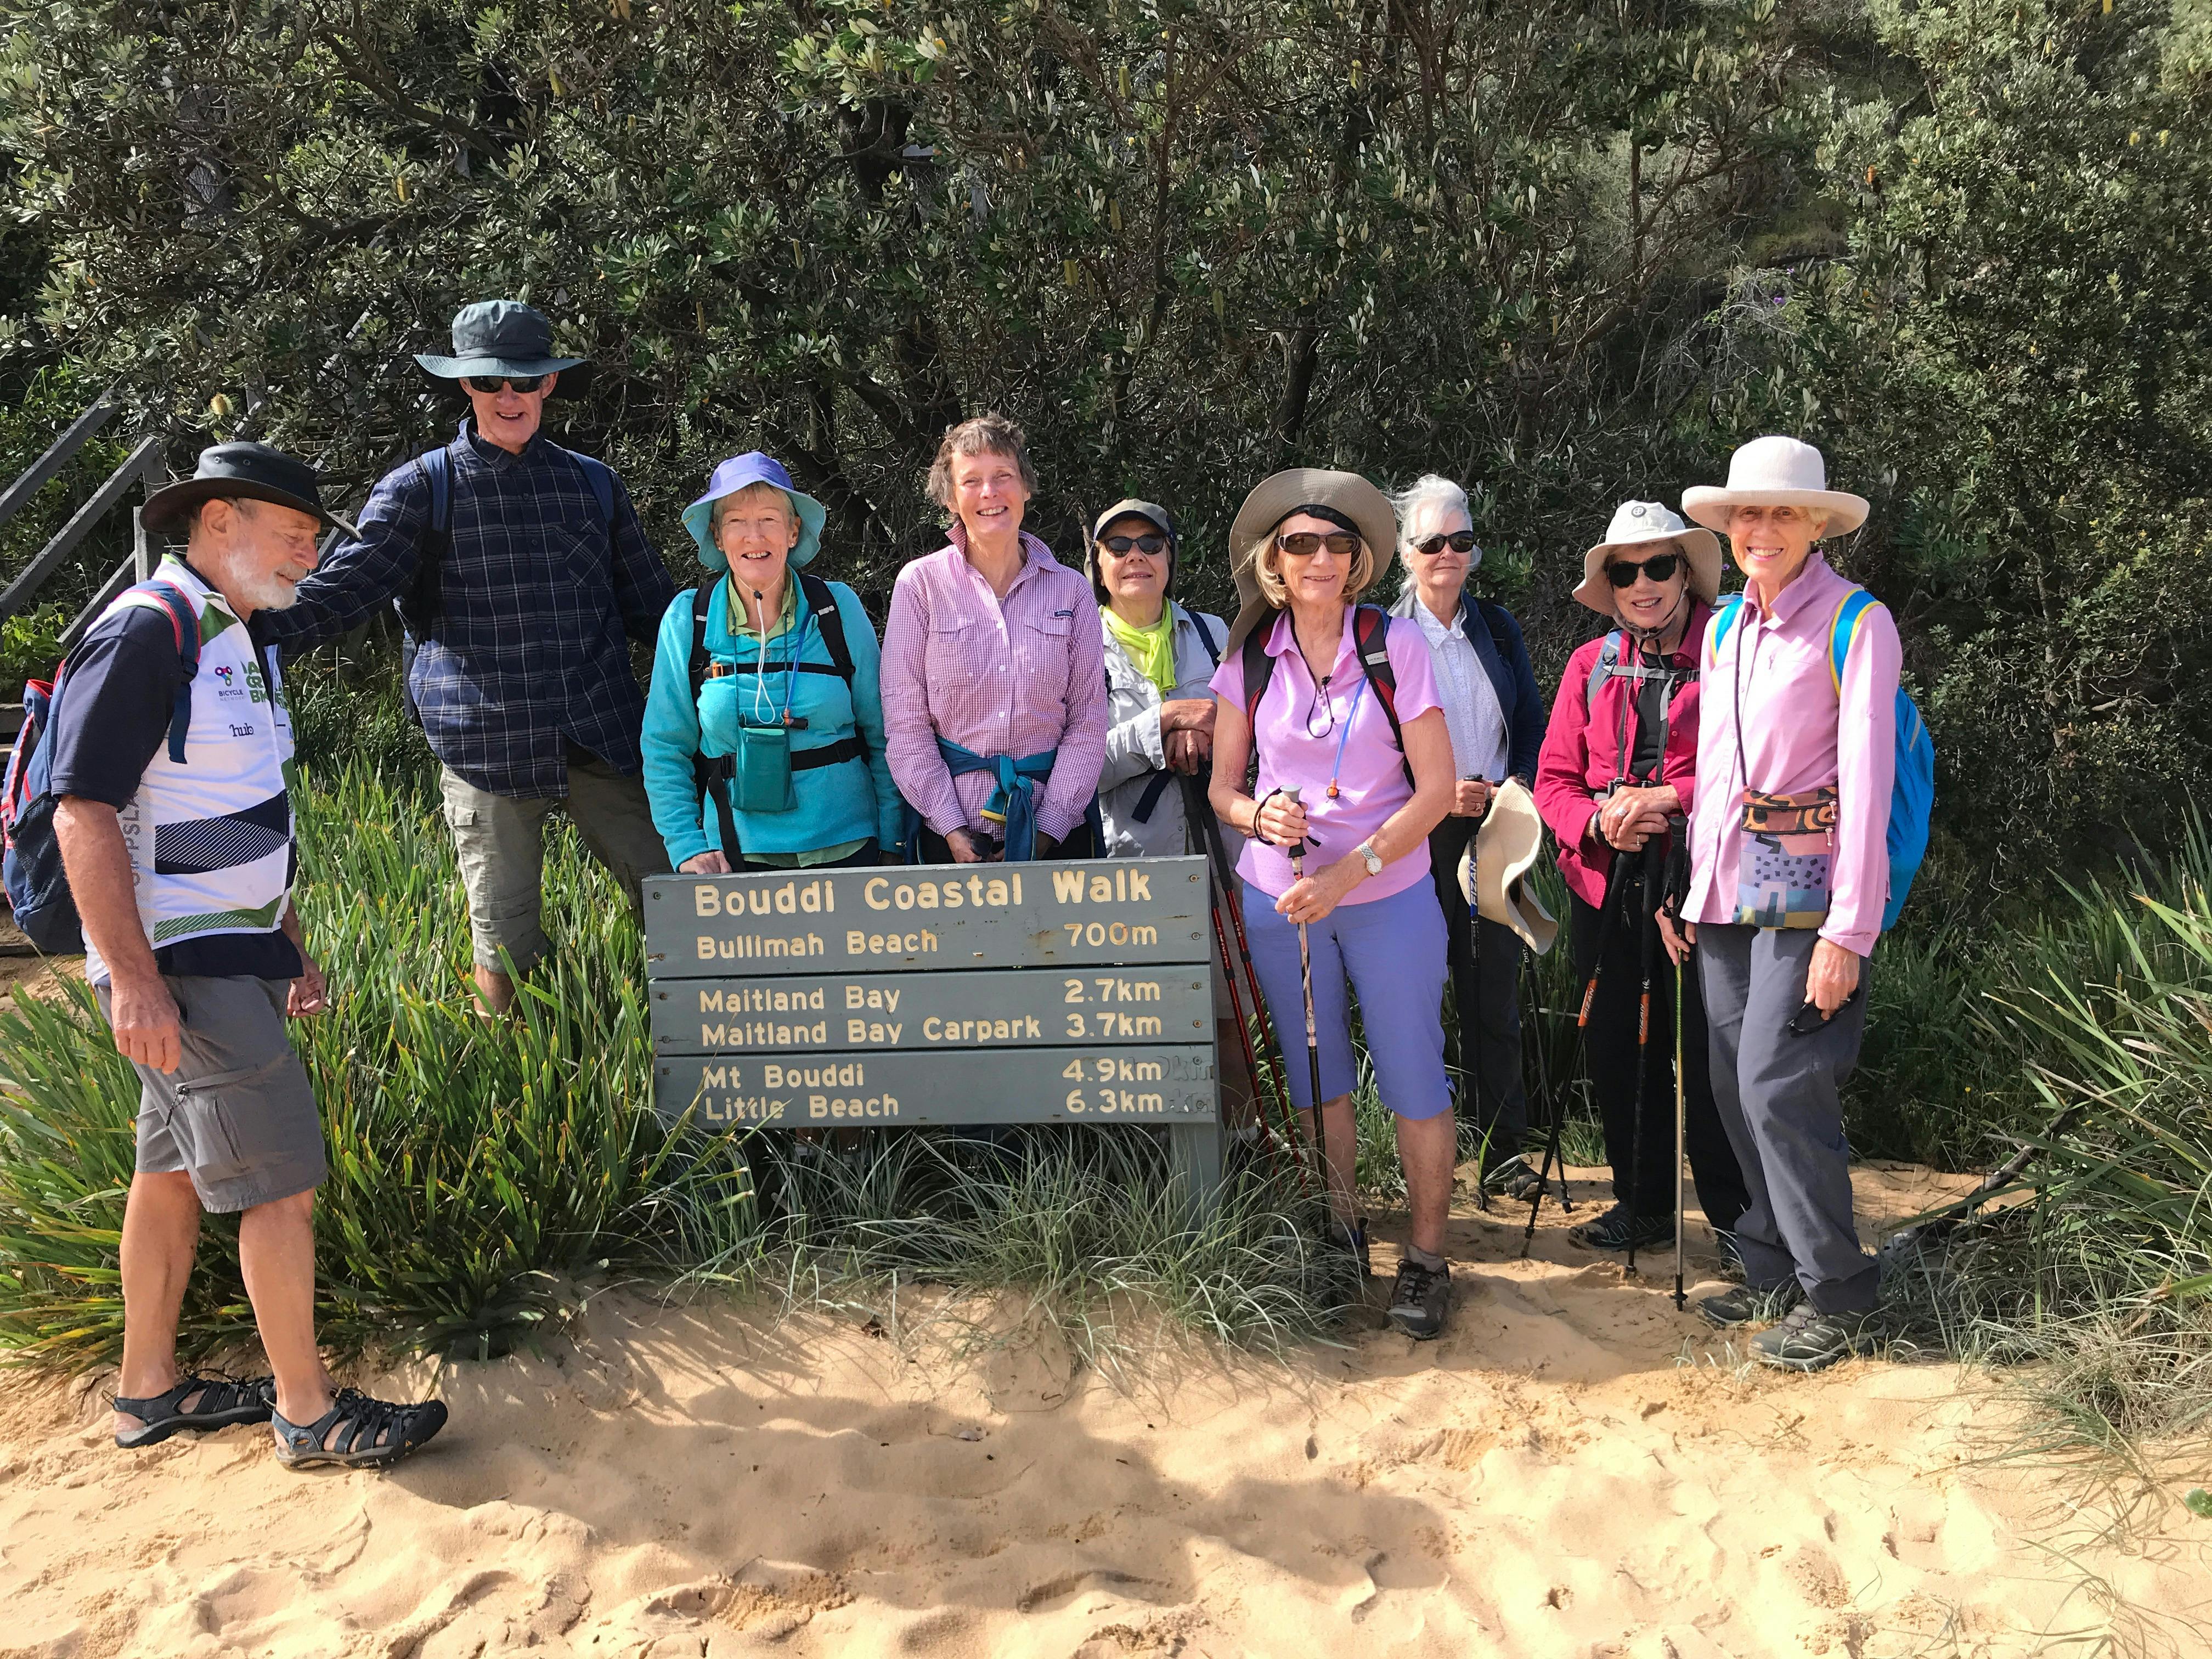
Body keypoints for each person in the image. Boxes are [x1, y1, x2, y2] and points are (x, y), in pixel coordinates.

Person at [49, 443, 447, 1469]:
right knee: (280, 1182)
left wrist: (287, 935)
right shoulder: (149, 632)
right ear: (219, 519)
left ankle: (147, 1390)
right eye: (298, 531)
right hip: (181, 965)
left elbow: (235, 811)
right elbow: (82, 809)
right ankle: (309, 1412)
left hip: (232, 950)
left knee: (172, 1171)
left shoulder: (238, 633)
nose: (312, 553)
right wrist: (131, 978)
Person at [256, 300, 674, 1015]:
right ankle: (517, 1091)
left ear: (548, 384)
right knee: (504, 951)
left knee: (683, 911)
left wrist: (740, 661)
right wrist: (230, 633)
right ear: (465, 387)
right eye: (488, 382)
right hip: (487, 748)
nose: (506, 396)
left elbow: (658, 615)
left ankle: (711, 1059)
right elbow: (340, 593)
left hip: (603, 733)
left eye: (522, 379)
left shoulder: (595, 485)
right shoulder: (422, 489)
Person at [1659, 436, 1899, 1372]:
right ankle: (1773, 1266)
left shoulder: (1855, 623)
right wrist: (1688, 885)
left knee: (1775, 1077)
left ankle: (1837, 1290)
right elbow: (1714, 774)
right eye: (1745, 513)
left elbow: (1868, 785)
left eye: (1781, 513)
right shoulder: (1723, 628)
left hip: (1809, 886)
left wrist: (1849, 929)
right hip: (1723, 886)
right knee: (1728, 1078)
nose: (1760, 528)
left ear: (1815, 525)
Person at [1207, 469, 1457, 1340]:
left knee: (1413, 1078)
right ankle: (1343, 1236)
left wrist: (1352, 872)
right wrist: (1257, 814)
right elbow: (1222, 792)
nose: (1319, 557)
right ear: (1274, 559)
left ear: (1358, 561)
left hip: (1387, 896)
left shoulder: (1395, 647)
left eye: (1337, 544)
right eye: (1299, 543)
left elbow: (1437, 792)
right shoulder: (1247, 655)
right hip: (1282, 901)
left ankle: (1427, 1260)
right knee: (1319, 1083)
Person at [1534, 501, 1750, 1260]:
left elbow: (1750, 768)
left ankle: (1738, 1222)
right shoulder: (1591, 666)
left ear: (1687, 573)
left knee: (1712, 1051)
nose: (1643, 584)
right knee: (1620, 1049)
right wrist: (1599, 823)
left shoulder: (1730, 654)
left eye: (1659, 566)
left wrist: (1667, 800)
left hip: (1704, 881)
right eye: (1625, 573)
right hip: (1607, 883)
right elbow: (1552, 782)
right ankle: (1645, 1203)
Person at [1385, 476, 1547, 1198]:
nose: (1446, 553)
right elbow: (1373, 745)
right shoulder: (1384, 637)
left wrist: (1516, 787)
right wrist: (1434, 792)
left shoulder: (1498, 628)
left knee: (1494, 988)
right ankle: (1435, 1148)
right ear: (1404, 553)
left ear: (1473, 551)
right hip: (1420, 833)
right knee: (1426, 991)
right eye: (1431, 542)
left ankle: (1504, 1149)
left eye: (1460, 540)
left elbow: (1534, 727)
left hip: (1498, 828)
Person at [641, 453, 901, 873]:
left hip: (852, 854)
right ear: (718, 536)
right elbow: (663, 746)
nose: (753, 536)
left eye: (768, 520)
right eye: (736, 522)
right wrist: (687, 846)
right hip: (732, 857)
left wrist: (894, 841)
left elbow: (886, 734)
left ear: (793, 532)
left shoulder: (837, 610)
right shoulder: (689, 619)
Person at [1085, 496, 1254, 1124]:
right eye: (1119, 546)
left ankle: (1237, 1152)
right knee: (1143, 1031)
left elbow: (1261, 730)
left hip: (1223, 859)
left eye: (1151, 544)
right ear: (1097, 564)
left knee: (1229, 1020)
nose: (1136, 557)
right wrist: (1160, 727)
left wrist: (1210, 728)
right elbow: (1075, 772)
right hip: (1130, 867)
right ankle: (1158, 1168)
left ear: (1171, 556)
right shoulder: (1077, 651)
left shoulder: (1216, 635)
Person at [881, 414, 1108, 862]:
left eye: (1003, 476)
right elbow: (905, 724)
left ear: (1025, 486)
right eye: (971, 481)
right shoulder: (919, 585)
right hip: (948, 838)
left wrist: (1049, 830)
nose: (990, 493)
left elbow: (1088, 720)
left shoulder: (1072, 590)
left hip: (1056, 837)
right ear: (951, 498)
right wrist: (950, 826)